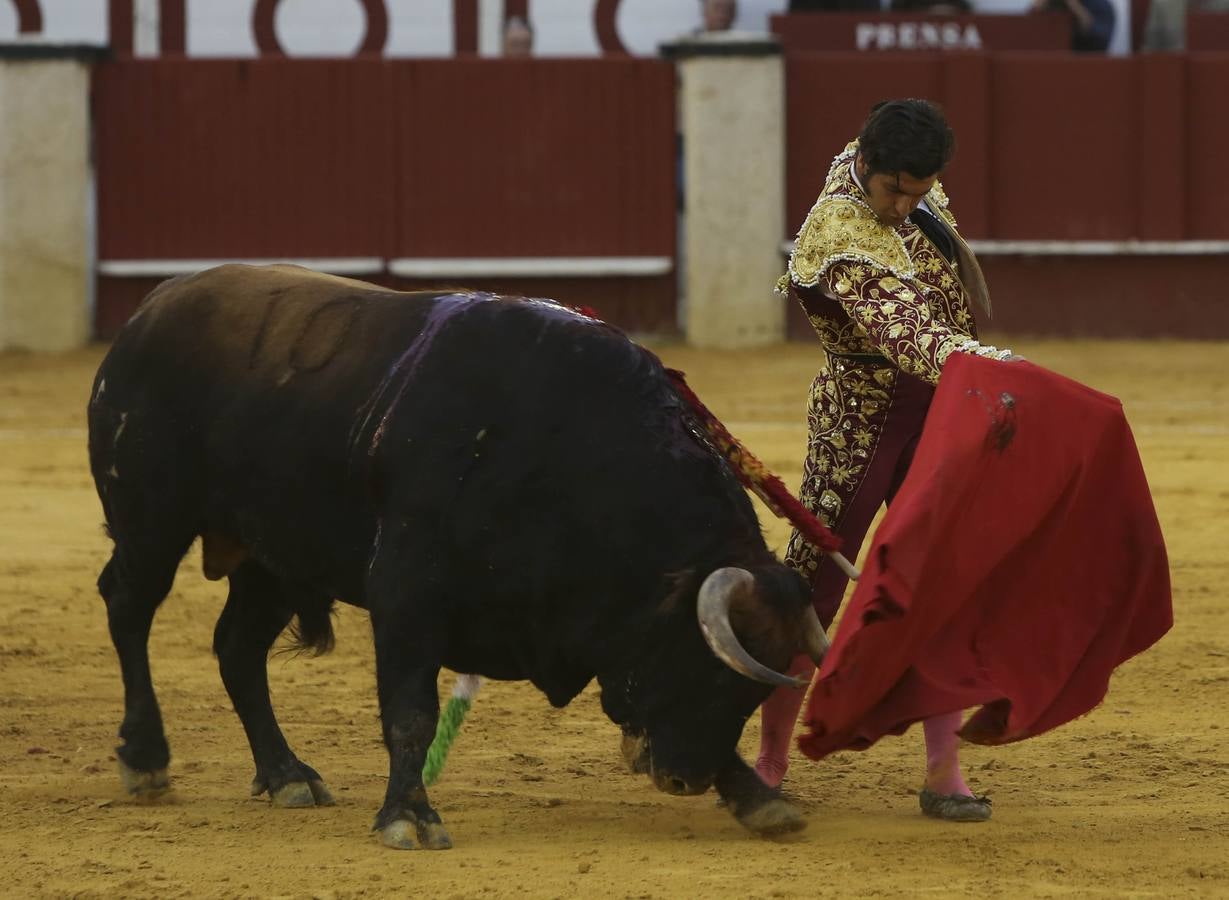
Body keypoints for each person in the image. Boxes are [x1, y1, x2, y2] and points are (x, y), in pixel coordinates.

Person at [759, 98, 1015, 822]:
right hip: (859, 424)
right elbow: (907, 333)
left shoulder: (885, 162)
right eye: (893, 191)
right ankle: (769, 759)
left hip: (934, 416)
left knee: (940, 578)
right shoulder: (839, 231)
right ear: (864, 166)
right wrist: (989, 367)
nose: (904, 208)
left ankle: (943, 771)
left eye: (918, 192)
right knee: (810, 586)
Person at [1031, 0, 1115, 51]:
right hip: (1051, 64)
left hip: (1088, 66)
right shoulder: (1052, 4)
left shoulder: (1100, 4)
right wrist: (1038, 6)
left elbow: (1098, 39)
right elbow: (1027, 30)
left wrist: (1074, 6)